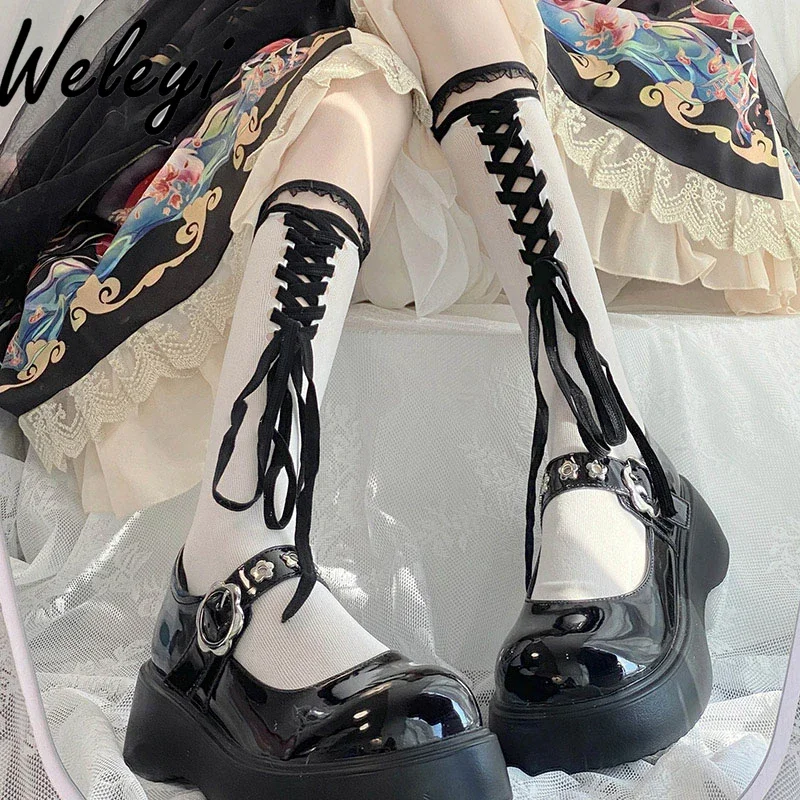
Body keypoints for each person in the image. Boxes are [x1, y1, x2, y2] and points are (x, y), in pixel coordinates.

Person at [2, 0, 794, 796]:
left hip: (560, 94)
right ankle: (238, 553)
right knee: (351, 81)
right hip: (322, 115)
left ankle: (598, 434)